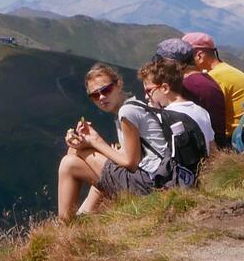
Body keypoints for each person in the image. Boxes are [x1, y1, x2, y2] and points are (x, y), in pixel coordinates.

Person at [55, 62, 172, 220]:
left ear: (118, 84)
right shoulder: (132, 107)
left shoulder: (127, 111)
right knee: (74, 152)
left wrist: (95, 141)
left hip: (149, 184)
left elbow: (131, 163)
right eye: (95, 95)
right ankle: (80, 217)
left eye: (106, 90)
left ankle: (65, 224)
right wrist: (86, 143)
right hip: (153, 179)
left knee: (69, 163)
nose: (102, 97)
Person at [142, 58, 214, 186]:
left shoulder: (162, 118)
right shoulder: (202, 111)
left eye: (149, 91)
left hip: (181, 181)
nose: (146, 96)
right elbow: (213, 150)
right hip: (206, 175)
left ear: (164, 88)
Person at [183, 32, 244, 148]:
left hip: (234, 140)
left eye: (187, 58)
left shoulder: (214, 78)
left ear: (199, 55)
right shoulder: (226, 70)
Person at [160, 37, 233, 146]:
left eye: (162, 62)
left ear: (178, 64)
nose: (159, 67)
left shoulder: (188, 85)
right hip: (217, 145)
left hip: (204, 151)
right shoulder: (205, 79)